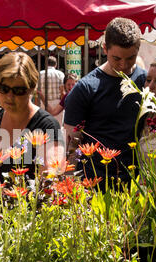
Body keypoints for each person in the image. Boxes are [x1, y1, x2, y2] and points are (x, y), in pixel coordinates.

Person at [64, 17, 147, 189]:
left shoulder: (145, 80)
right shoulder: (85, 88)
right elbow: (73, 142)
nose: (124, 65)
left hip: (137, 181)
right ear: (104, 49)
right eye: (116, 58)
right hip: (94, 182)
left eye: (131, 58)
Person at [0, 52, 65, 181]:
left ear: (32, 89)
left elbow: (50, 181)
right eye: (3, 88)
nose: (9, 96)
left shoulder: (47, 126)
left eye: (18, 90)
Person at [37, 56, 65, 126]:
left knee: (45, 125)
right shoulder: (61, 74)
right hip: (58, 103)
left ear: (46, 64)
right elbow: (62, 91)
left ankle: (49, 137)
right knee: (57, 125)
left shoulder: (40, 74)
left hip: (44, 102)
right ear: (56, 65)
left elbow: (37, 91)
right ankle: (57, 137)